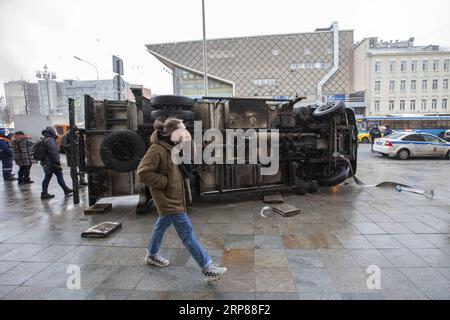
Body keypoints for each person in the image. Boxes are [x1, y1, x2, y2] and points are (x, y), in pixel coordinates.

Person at [137, 117, 227, 282]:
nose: (186, 132)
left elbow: (192, 157)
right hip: (168, 198)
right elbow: (143, 172)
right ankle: (207, 267)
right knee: (187, 233)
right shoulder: (157, 149)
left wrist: (188, 139)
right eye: (182, 129)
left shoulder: (175, 147)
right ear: (172, 132)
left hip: (176, 196)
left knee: (161, 225)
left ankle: (151, 254)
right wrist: (164, 182)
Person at [40, 126, 73, 200]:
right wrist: (57, 162)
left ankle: (44, 192)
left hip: (46, 162)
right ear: (52, 132)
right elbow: (53, 152)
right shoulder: (50, 140)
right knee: (58, 175)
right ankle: (65, 190)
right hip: (51, 162)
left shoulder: (45, 139)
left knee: (48, 177)